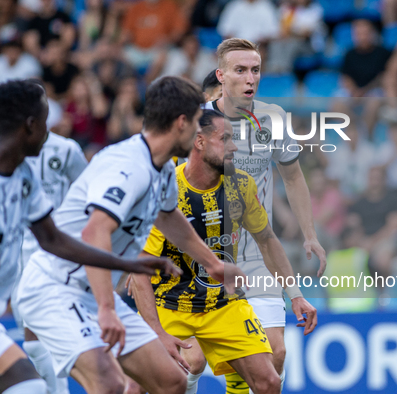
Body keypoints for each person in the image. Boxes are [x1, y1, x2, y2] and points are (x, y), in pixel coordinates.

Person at [0, 79, 177, 394]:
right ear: (31, 125)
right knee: (31, 388)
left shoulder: (22, 173)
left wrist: (127, 263)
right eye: (47, 120)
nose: (52, 129)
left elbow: (54, 241)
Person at [16, 77, 245, 394]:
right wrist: (107, 308)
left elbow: (168, 217)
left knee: (172, 381)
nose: (197, 132)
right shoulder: (128, 166)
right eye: (195, 122)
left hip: (89, 290)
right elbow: (95, 230)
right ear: (181, 123)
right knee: (108, 384)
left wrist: (213, 264)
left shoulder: (161, 167)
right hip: (55, 289)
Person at [130, 110, 317, 394]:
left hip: (223, 303)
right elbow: (140, 268)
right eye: (225, 139)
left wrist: (296, 295)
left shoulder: (241, 184)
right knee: (138, 387)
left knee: (269, 381)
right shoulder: (168, 190)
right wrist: (157, 331)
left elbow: (266, 239)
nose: (233, 147)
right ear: (199, 142)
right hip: (168, 304)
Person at [203, 37, 325, 393]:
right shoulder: (196, 120)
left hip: (257, 254)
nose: (249, 78)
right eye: (240, 70)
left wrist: (309, 234)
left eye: (255, 70)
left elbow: (293, 176)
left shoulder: (273, 117)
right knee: (191, 361)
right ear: (221, 76)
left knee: (275, 354)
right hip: (202, 252)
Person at [10, 127, 88, 394]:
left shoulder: (67, 149)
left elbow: (88, 193)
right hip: (16, 253)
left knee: (40, 331)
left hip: (57, 252)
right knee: (31, 338)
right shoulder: (6, 149)